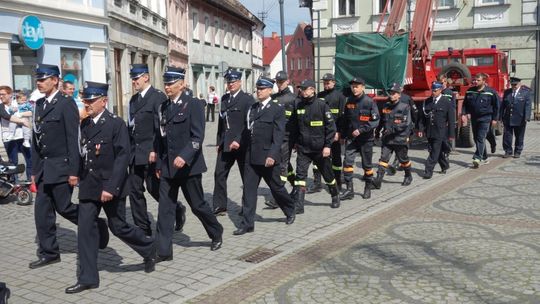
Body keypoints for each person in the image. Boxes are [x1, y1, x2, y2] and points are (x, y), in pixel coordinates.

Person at [65, 81, 156, 294]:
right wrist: (73, 173)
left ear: (103, 101)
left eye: (90, 100)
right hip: (89, 184)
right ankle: (88, 277)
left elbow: (122, 158)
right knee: (85, 230)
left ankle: (148, 247)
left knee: (119, 226)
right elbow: (82, 153)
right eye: (85, 100)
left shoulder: (116, 124)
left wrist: (111, 187)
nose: (86, 104)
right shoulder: (85, 124)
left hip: (110, 185)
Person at [29, 64, 109, 270]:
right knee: (42, 212)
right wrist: (33, 172)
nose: (39, 82)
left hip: (62, 166)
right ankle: (49, 252)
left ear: (55, 80)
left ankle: (96, 224)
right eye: (37, 78)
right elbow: (37, 141)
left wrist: (74, 171)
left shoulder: (65, 104)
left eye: (43, 78)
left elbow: (74, 139)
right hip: (44, 169)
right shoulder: (38, 104)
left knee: (64, 207)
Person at [155, 66, 223, 261]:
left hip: (189, 167)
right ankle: (164, 251)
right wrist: (160, 164)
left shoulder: (193, 104)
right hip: (168, 167)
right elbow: (161, 139)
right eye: (165, 83)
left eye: (171, 84)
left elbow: (197, 136)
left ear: (182, 84)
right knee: (165, 209)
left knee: (197, 205)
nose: (167, 87)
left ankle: (216, 231)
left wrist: (184, 156)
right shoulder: (164, 107)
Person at [127, 64, 186, 236]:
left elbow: (160, 127)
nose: (133, 82)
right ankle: (143, 228)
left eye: (136, 78)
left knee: (154, 188)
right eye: (132, 78)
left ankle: (176, 208)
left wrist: (155, 149)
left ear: (146, 77)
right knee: (134, 190)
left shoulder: (157, 97)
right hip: (135, 153)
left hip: (151, 152)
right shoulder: (133, 100)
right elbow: (131, 126)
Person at [234, 77, 296, 235]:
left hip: (268, 157)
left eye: (262, 89)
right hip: (251, 156)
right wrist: (238, 142)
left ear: (270, 90)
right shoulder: (253, 108)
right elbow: (247, 131)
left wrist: (272, 155)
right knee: (248, 191)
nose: (259, 91)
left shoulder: (277, 109)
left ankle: (290, 210)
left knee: (276, 188)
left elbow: (279, 135)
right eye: (258, 88)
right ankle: (248, 223)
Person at [290, 79, 339, 213]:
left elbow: (331, 128)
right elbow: (294, 126)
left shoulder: (321, 105)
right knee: (300, 176)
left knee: (328, 174)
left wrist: (328, 146)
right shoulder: (298, 104)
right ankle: (299, 205)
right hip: (303, 148)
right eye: (301, 89)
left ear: (312, 90)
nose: (303, 91)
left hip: (320, 148)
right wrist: (294, 142)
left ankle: (335, 195)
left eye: (305, 89)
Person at [212, 69, 254, 216]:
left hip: (241, 145)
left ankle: (246, 207)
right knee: (219, 174)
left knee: (246, 177)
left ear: (240, 82)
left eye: (234, 82)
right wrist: (218, 141)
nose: (231, 84)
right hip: (225, 144)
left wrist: (238, 140)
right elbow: (221, 123)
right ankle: (220, 206)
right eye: (229, 82)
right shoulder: (224, 99)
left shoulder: (247, 99)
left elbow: (248, 124)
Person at [340, 77, 379, 200]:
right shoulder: (349, 101)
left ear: (363, 87)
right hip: (352, 138)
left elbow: (375, 121)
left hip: (366, 139)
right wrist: (343, 135)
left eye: (357, 86)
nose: (354, 88)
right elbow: (345, 120)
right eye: (352, 86)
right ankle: (349, 190)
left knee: (366, 165)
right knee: (347, 162)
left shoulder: (369, 102)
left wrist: (361, 130)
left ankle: (367, 188)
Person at [265, 71, 297, 210]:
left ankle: (277, 198)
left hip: (287, 138)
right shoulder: (274, 97)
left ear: (287, 81)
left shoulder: (294, 99)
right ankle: (296, 184)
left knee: (282, 166)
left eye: (281, 81)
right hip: (275, 137)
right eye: (277, 82)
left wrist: (297, 140)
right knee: (285, 163)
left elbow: (297, 121)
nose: (279, 84)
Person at [373, 83, 413, 189]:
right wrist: (377, 132)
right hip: (387, 139)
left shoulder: (404, 107)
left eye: (394, 93)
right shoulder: (386, 106)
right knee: (383, 159)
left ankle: (408, 176)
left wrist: (392, 130)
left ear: (399, 95)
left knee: (403, 160)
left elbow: (406, 123)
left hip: (400, 138)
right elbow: (382, 120)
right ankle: (378, 180)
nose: (392, 95)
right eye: (391, 93)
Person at [312, 73, 346, 192]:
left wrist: (340, 133)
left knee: (336, 159)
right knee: (317, 158)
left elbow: (343, 117)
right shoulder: (319, 96)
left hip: (334, 133)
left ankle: (338, 182)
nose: (326, 84)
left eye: (328, 82)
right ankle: (317, 183)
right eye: (324, 82)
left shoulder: (340, 96)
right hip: (321, 133)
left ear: (333, 82)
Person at [417, 82, 456, 179]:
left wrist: (451, 135)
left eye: (435, 91)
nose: (433, 92)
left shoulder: (446, 102)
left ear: (440, 90)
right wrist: (420, 129)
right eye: (432, 90)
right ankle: (444, 165)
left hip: (440, 131)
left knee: (434, 151)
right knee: (433, 150)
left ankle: (428, 170)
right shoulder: (427, 101)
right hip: (430, 131)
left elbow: (451, 119)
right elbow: (422, 118)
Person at [461, 73, 500, 168]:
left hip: (486, 118)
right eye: (475, 80)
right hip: (474, 118)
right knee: (476, 138)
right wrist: (463, 114)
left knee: (480, 137)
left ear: (483, 81)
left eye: (478, 80)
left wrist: (495, 119)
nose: (475, 82)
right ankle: (485, 156)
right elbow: (465, 104)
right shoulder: (470, 91)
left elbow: (497, 107)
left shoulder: (491, 92)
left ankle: (477, 158)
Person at [0, 86, 33, 181]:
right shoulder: (1, 106)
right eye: (0, 94)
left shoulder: (18, 102)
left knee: (30, 160)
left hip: (23, 136)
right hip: (9, 137)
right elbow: (6, 116)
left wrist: (21, 114)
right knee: (13, 162)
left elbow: (31, 111)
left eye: (3, 94)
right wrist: (21, 121)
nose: (1, 96)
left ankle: (31, 181)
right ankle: (14, 184)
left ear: (10, 95)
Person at [500, 77, 532, 158]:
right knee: (507, 136)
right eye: (512, 84)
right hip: (508, 118)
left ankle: (518, 151)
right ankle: (508, 151)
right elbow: (502, 106)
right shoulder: (507, 92)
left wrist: (527, 117)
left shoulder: (526, 92)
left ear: (519, 84)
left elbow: (528, 106)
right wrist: (500, 117)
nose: (514, 86)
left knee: (519, 136)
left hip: (520, 118)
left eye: (515, 84)